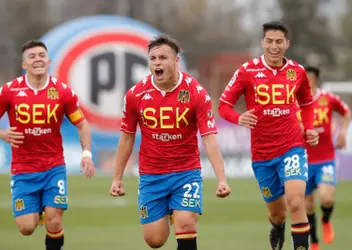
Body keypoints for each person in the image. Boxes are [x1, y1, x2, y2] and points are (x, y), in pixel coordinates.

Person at [109, 34, 231, 250]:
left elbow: (209, 138)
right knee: (154, 240)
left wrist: (221, 179)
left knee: (185, 224)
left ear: (176, 61)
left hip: (186, 172)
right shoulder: (135, 95)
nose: (157, 63)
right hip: (151, 175)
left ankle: (181, 212)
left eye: (163, 58)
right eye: (153, 58)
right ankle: (172, 210)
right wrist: (117, 178)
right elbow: (127, 137)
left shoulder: (196, 93)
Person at [0, 40, 96, 250]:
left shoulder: (63, 92)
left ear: (49, 60)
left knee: (54, 221)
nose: (38, 59)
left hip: (53, 167)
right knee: (26, 227)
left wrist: (87, 154)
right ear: (24, 64)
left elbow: (82, 124)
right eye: (32, 56)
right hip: (23, 169)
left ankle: (50, 216)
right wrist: (2, 134)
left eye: (41, 55)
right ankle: (40, 210)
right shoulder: (9, 91)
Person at [218, 21, 319, 250]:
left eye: (279, 42)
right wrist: (239, 118)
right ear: (263, 43)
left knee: (295, 202)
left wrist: (309, 127)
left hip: (293, 146)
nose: (274, 46)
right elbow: (224, 106)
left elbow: (307, 103)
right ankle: (277, 226)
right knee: (277, 212)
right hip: (263, 155)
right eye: (270, 41)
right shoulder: (247, 71)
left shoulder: (298, 71)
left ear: (287, 44)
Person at [299, 66, 350, 250]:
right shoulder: (294, 100)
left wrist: (343, 133)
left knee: (326, 198)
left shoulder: (328, 98)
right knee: (307, 204)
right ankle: (313, 240)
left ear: (315, 80)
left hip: (325, 158)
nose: (306, 82)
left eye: (309, 78)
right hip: (302, 160)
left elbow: (346, 112)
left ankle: (326, 220)